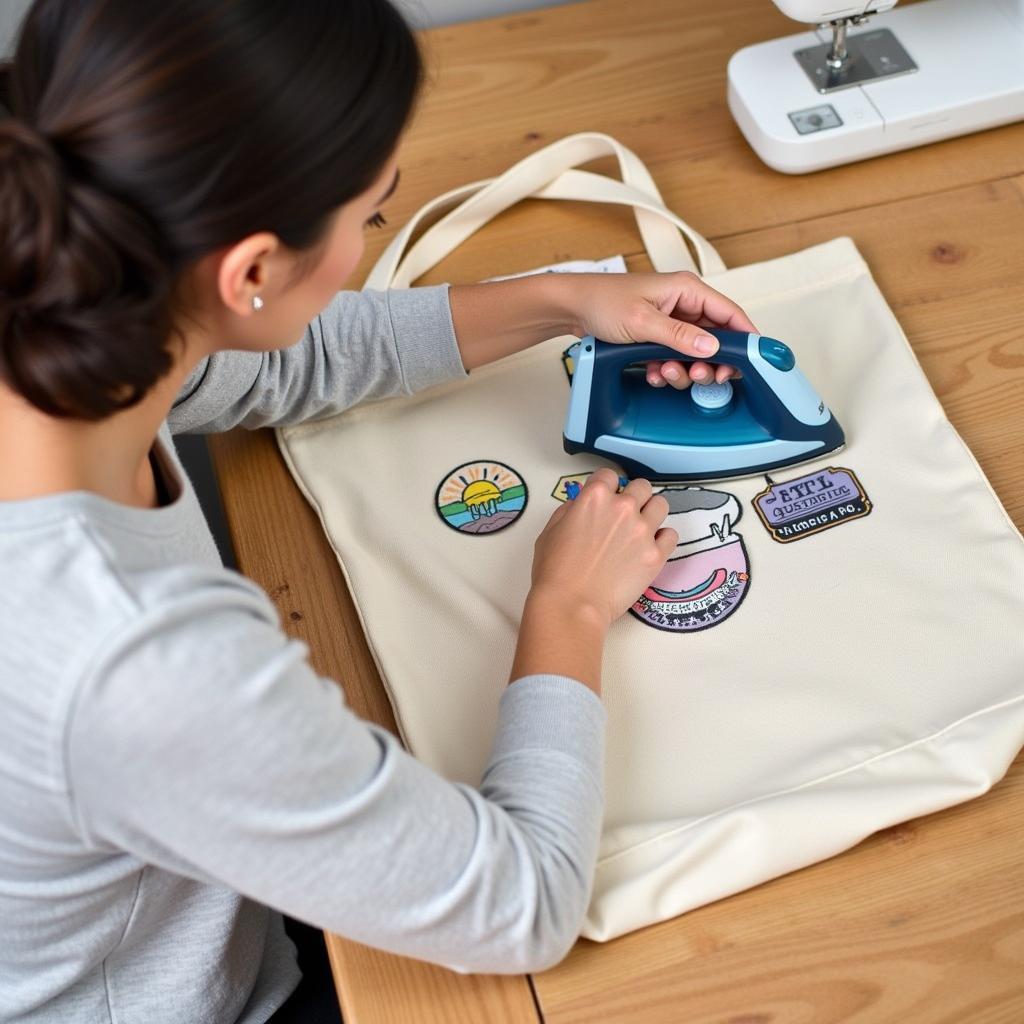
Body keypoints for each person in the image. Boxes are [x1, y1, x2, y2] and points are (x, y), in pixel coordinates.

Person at [0, 1, 758, 1021]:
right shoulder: (133, 659)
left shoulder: (57, 301)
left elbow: (276, 355)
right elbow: (520, 904)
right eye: (369, 217)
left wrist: (566, 298)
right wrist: (567, 610)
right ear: (253, 269)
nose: (368, 240)